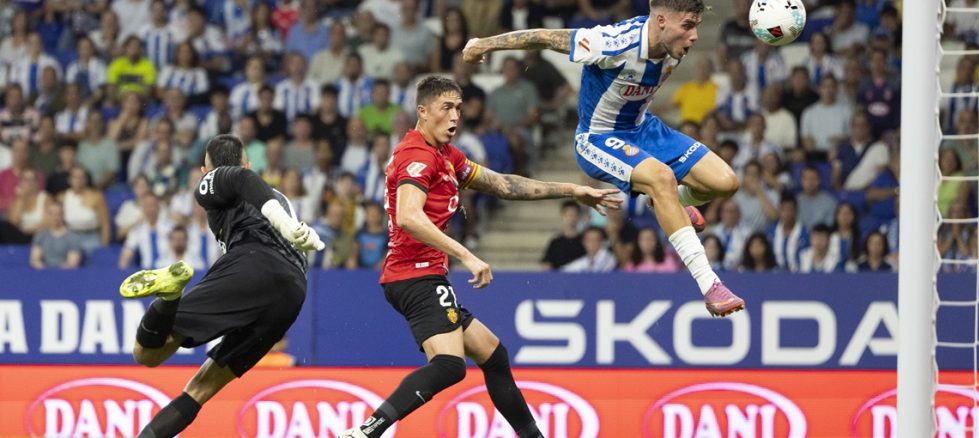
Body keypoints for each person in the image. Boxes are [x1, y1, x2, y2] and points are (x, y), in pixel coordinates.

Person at [340, 76, 621, 438]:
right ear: (422, 112)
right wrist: (467, 255)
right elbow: (410, 215)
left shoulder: (445, 155)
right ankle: (367, 431)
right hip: (415, 276)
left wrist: (572, 189)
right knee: (449, 366)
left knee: (492, 354)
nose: (456, 115)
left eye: (458, 107)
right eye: (446, 107)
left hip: (420, 275)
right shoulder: (417, 155)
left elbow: (503, 184)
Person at [463, 0, 745, 316]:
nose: (694, 36)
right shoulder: (612, 43)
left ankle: (673, 202)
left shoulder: (673, 46)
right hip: (598, 138)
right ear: (662, 20)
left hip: (643, 128)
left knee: (726, 182)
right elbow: (545, 36)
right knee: (661, 178)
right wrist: (483, 43)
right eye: (688, 26)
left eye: (697, 26)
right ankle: (710, 285)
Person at [116, 134, 324, 437]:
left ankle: (170, 294)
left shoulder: (216, 182)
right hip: (292, 294)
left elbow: (237, 177)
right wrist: (289, 225)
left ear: (205, 171)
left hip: (254, 264)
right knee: (200, 388)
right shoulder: (279, 197)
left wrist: (286, 225)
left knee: (146, 354)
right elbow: (244, 180)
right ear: (249, 161)